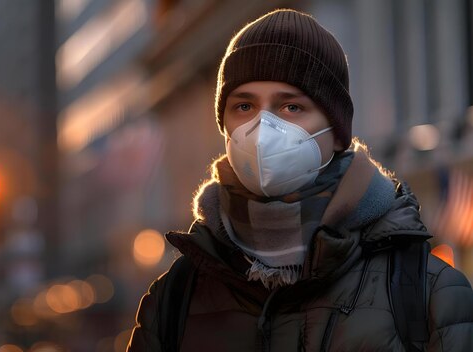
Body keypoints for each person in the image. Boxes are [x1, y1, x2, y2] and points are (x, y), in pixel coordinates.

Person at [127, 8, 473, 352]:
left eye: (291, 107)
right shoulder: (175, 298)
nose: (262, 131)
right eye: (244, 107)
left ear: (337, 132)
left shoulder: (427, 294)